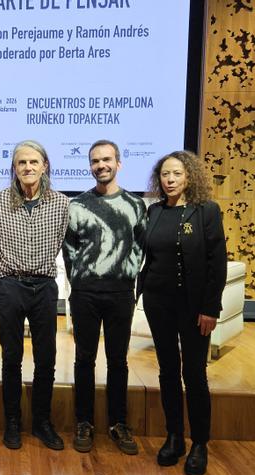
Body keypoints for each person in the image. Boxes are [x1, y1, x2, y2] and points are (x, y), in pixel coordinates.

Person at [138, 150, 227, 475]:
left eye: (176, 174)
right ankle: (174, 437)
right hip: (158, 303)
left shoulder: (206, 212)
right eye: (165, 175)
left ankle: (199, 443)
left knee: (194, 374)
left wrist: (210, 308)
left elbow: (216, 263)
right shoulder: (155, 212)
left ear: (189, 176)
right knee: (167, 372)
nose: (170, 180)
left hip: (194, 308)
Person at [62, 139, 146, 455]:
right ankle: (84, 422)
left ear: (118, 163)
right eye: (96, 161)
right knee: (84, 360)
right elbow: (69, 249)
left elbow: (140, 247)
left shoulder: (136, 205)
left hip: (121, 294)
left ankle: (118, 423)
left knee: (118, 361)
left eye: (107, 159)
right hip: (85, 294)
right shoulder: (77, 206)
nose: (101, 165)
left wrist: (125, 275)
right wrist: (81, 280)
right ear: (90, 166)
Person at [0, 140, 69, 450]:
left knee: (46, 358)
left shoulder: (61, 203)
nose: (28, 168)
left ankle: (42, 422)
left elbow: (60, 240)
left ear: (44, 165)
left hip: (45, 286)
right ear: (14, 168)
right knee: (11, 357)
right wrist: (13, 270)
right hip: (10, 285)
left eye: (34, 162)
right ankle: (12, 422)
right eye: (22, 163)